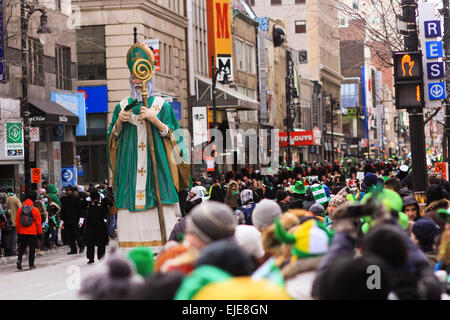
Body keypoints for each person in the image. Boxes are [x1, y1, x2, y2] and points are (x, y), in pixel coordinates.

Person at [107, 42, 189, 249]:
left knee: (162, 241)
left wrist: (157, 121)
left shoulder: (163, 107)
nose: (137, 81)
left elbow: (177, 141)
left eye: (140, 76)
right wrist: (118, 124)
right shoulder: (122, 106)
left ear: (149, 77)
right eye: (133, 77)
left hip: (157, 177)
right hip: (129, 176)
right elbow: (111, 142)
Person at [16, 194, 43, 270]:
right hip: (32, 232)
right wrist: (40, 233)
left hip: (22, 232)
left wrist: (18, 232)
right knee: (32, 248)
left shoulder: (20, 209)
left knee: (22, 247)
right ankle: (31, 265)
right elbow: (38, 223)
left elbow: (17, 222)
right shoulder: (35, 210)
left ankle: (19, 259)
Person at [83, 190, 109, 264]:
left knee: (101, 243)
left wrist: (105, 219)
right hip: (90, 225)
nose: (95, 200)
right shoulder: (89, 202)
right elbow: (80, 206)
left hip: (101, 225)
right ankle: (90, 258)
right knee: (90, 243)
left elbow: (109, 206)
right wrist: (85, 200)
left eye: (96, 199)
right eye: (93, 199)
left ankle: (101, 258)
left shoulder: (103, 201)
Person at [60, 185, 84, 254]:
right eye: (67, 190)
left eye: (69, 190)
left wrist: (81, 218)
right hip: (67, 219)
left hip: (75, 219)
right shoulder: (65, 199)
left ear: (72, 191)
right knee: (70, 235)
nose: (68, 192)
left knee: (77, 234)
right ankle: (73, 249)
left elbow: (80, 209)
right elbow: (63, 209)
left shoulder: (76, 198)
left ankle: (81, 246)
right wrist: (62, 219)